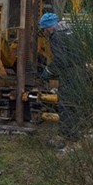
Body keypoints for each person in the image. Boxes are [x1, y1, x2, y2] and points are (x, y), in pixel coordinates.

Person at [39, 12, 82, 144]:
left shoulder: (56, 37)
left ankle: (65, 136)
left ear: (48, 28)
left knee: (66, 105)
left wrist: (48, 71)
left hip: (70, 74)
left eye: (44, 29)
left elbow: (61, 60)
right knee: (75, 104)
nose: (44, 33)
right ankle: (75, 133)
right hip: (81, 72)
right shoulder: (70, 32)